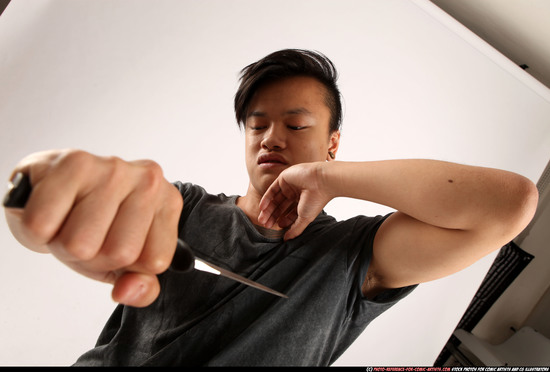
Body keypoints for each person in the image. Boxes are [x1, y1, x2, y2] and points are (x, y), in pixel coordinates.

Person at [4, 49, 538, 366]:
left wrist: (329, 179)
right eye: (257, 126)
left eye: (297, 126)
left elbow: (510, 205)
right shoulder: (183, 206)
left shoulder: (355, 256)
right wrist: (42, 189)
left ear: (333, 143)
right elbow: (104, 197)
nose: (270, 139)